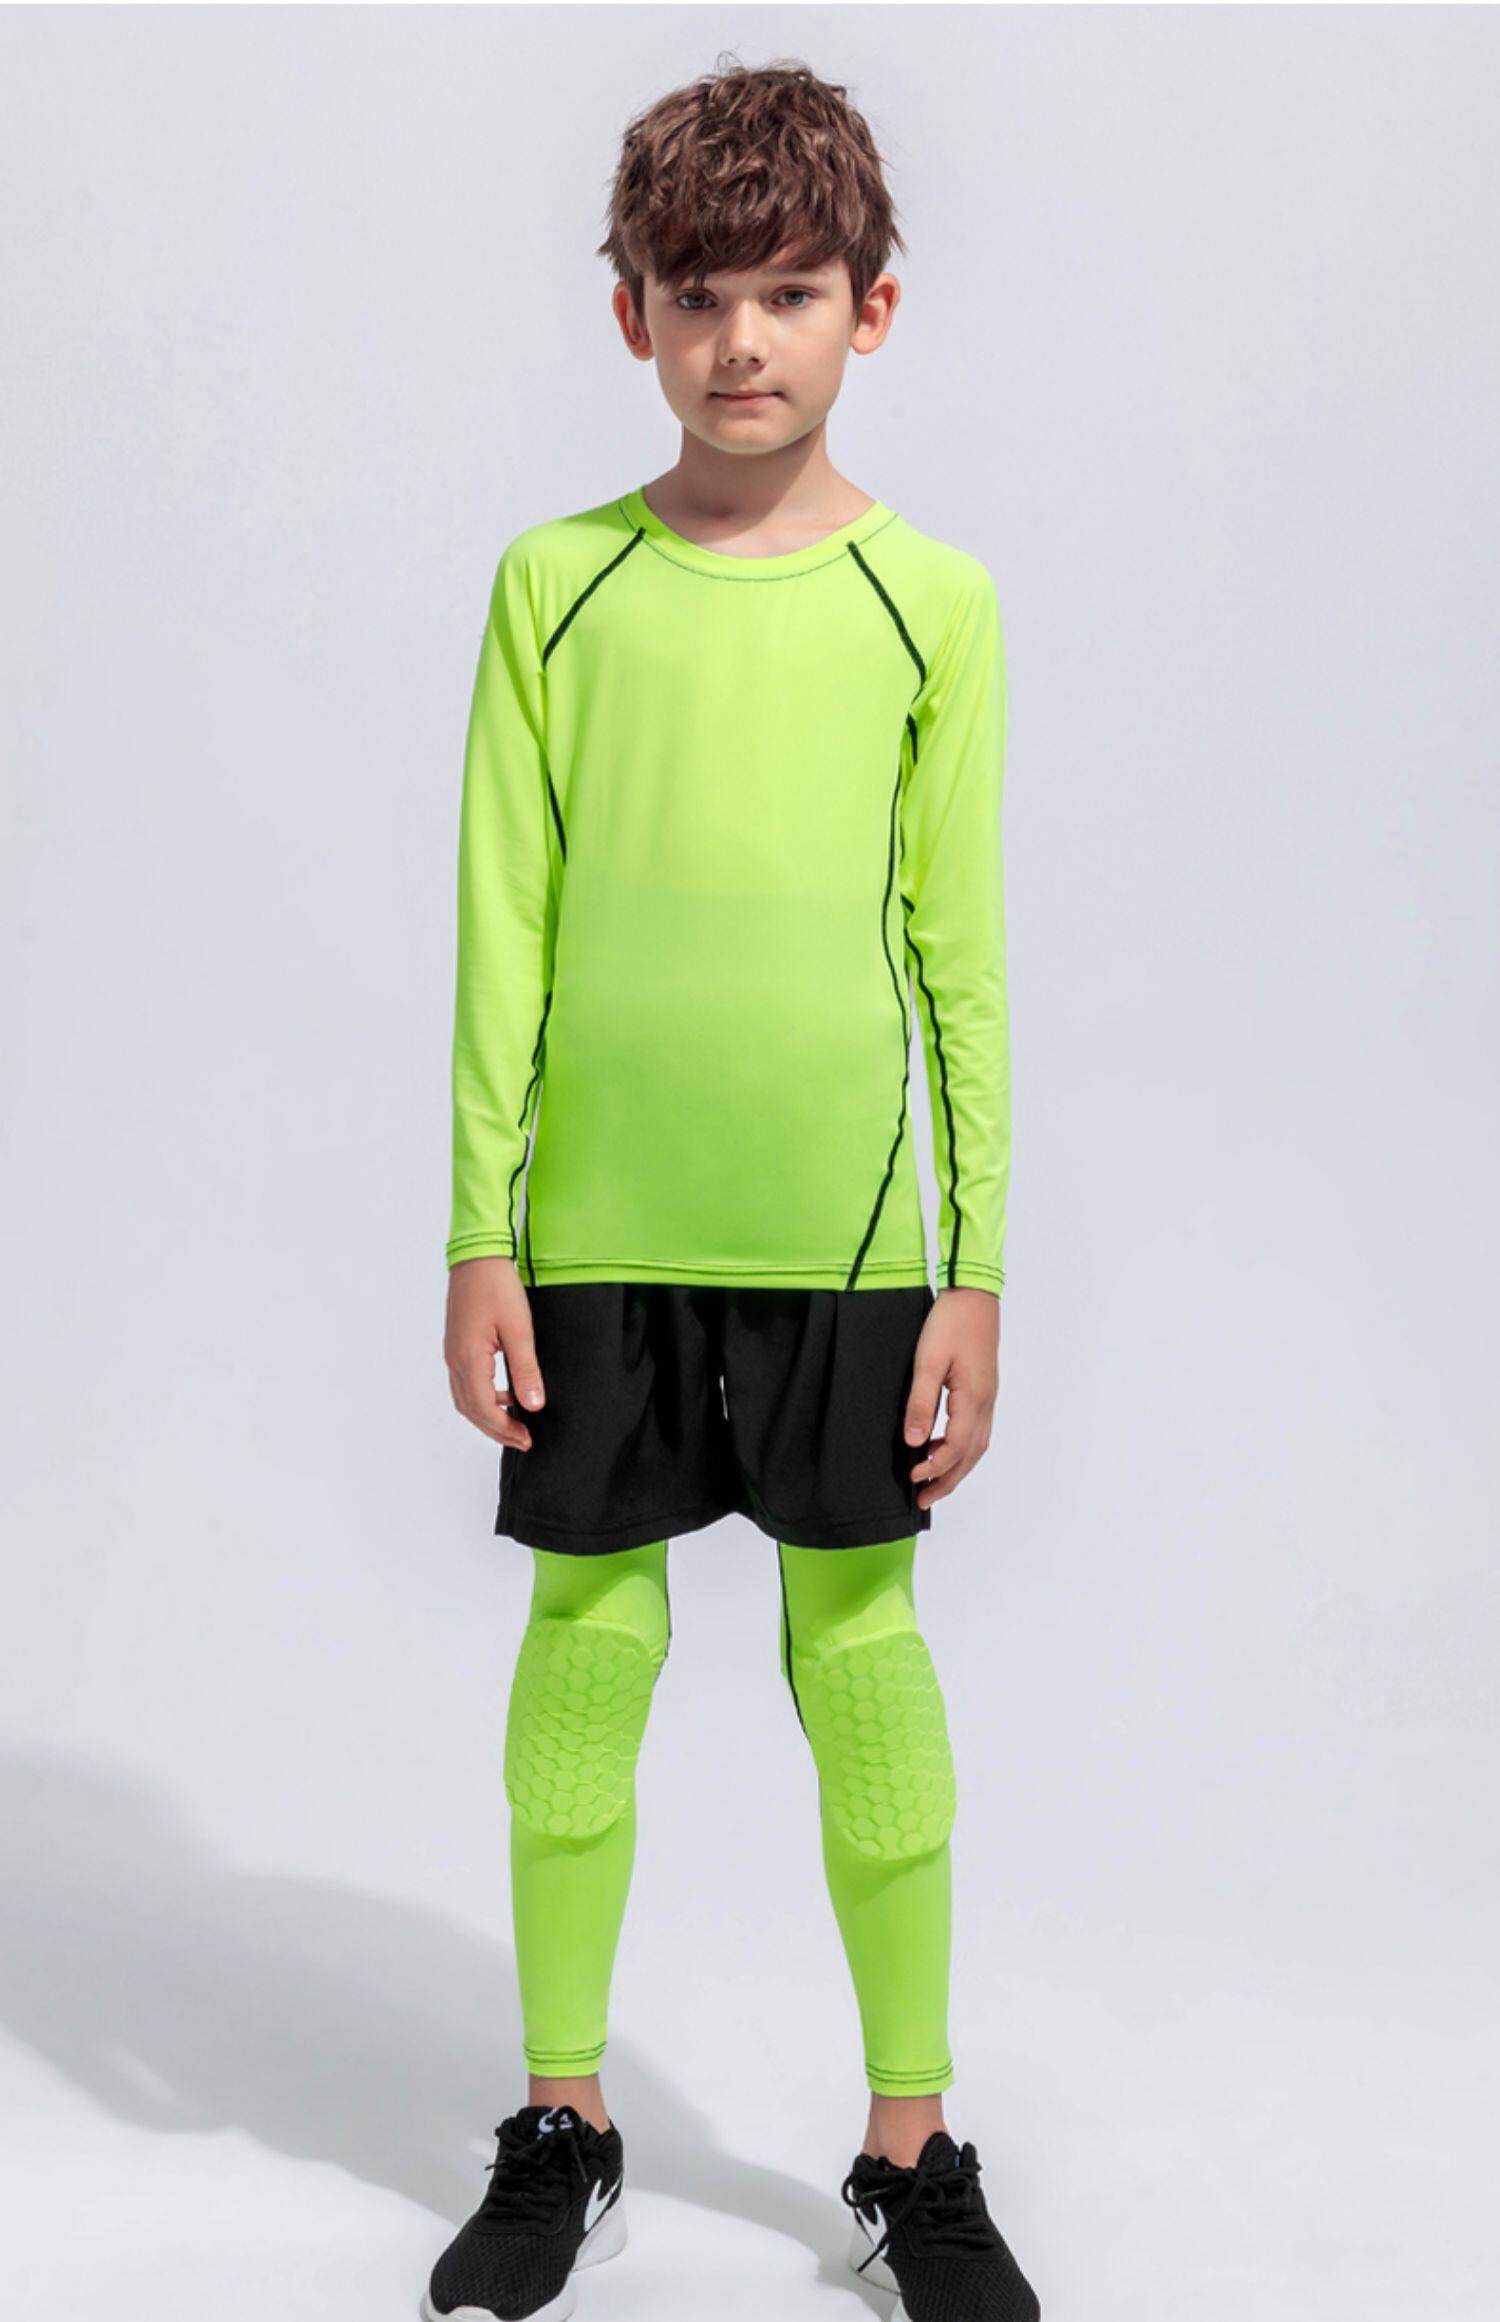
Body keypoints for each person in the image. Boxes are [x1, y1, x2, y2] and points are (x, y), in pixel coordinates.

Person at [424, 57, 1041, 2322]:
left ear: (873, 306)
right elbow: (503, 925)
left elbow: (960, 952)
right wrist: (481, 1229)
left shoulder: (931, 602)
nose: (742, 339)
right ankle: (562, 2117)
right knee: (584, 1659)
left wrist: (979, 1265)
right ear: (632, 317)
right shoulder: (556, 587)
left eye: (789, 290)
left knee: (863, 1669)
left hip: (850, 1242)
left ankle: (913, 2142)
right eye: (698, 296)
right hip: (594, 1232)